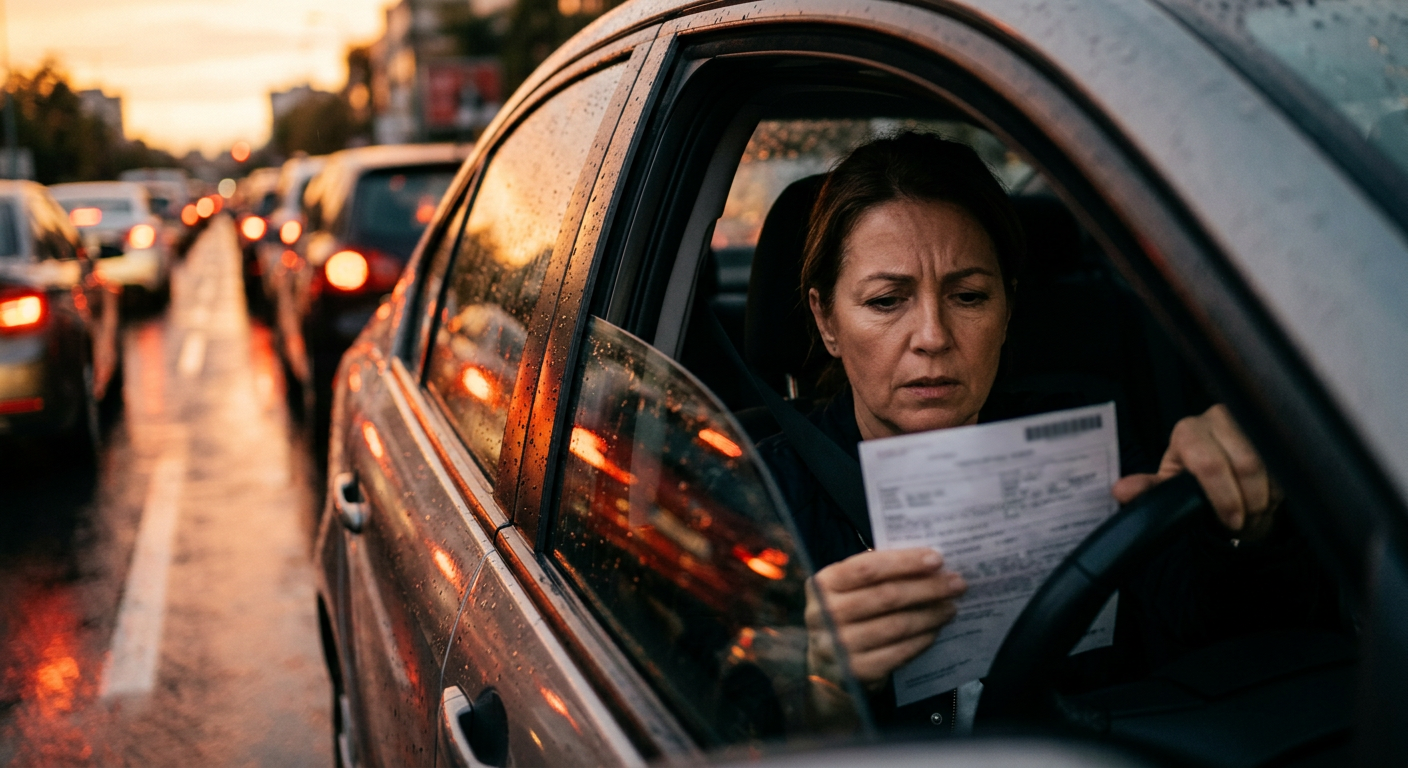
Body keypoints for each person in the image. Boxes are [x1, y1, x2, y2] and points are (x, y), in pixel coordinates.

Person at [756, 132, 1339, 731]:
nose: (932, 335)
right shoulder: (757, 495)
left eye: (969, 296)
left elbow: (1216, 639)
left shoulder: (1088, 446)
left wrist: (1241, 525)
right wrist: (823, 691)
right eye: (886, 301)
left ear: (1007, 310)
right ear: (827, 321)